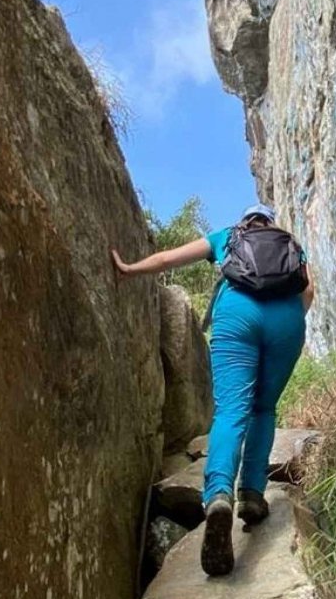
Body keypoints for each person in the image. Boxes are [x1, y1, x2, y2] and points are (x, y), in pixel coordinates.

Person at [111, 204, 313, 576]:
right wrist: (289, 322)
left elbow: (169, 258)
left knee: (232, 411)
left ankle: (219, 494)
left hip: (237, 312)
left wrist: (129, 270)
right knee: (264, 409)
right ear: (269, 222)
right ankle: (252, 494)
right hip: (286, 320)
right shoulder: (291, 244)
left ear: (246, 221)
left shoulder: (228, 236)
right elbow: (308, 290)